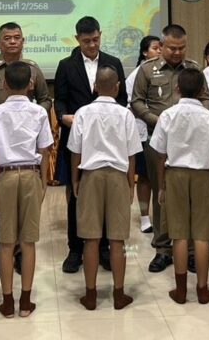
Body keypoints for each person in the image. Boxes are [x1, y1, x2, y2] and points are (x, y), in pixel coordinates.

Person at [0, 22, 52, 278]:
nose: (13, 41)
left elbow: (45, 99)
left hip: (26, 146)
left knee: (26, 200)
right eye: (7, 38)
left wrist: (31, 119)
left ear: (23, 41)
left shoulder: (33, 70)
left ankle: (19, 252)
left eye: (17, 37)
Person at [130, 24, 209, 273]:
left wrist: (197, 118)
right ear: (162, 46)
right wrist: (161, 122)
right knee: (161, 195)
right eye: (172, 48)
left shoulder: (194, 69)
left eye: (182, 48)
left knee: (190, 196)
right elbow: (136, 101)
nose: (177, 53)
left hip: (190, 143)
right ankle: (163, 249)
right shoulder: (147, 70)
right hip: (158, 141)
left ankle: (189, 251)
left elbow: (206, 98)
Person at [54, 15, 127, 274]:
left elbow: (123, 100)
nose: (92, 45)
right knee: (77, 194)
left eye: (95, 40)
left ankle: (104, 248)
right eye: (86, 41)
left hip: (107, 141)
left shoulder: (113, 63)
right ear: (77, 39)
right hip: (77, 139)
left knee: (107, 197)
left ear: (100, 35)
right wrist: (63, 117)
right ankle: (75, 249)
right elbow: (59, 100)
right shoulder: (66, 65)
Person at [0, 61, 53, 318]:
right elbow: (45, 151)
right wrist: (43, 183)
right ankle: (25, 301)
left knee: (6, 242)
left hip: (6, 176)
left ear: (4, 84)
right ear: (31, 84)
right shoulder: (39, 112)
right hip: (31, 174)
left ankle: (7, 302)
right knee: (28, 241)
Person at [151, 68, 209, 304]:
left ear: (177, 88)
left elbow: (160, 154)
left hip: (175, 175)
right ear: (203, 90)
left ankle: (181, 290)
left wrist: (161, 185)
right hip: (203, 175)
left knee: (179, 234)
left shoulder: (167, 116)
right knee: (202, 235)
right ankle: (203, 289)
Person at [69, 67, 142, 310]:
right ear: (118, 87)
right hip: (118, 176)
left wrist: (76, 180)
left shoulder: (82, 113)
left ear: (94, 87)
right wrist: (131, 183)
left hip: (90, 175)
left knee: (90, 239)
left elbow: (75, 150)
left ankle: (90, 295)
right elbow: (132, 153)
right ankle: (119, 294)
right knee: (117, 239)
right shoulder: (125, 114)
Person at [126, 35, 161, 234]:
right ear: (145, 52)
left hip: (163, 132)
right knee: (146, 176)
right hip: (142, 132)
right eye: (155, 48)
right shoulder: (136, 74)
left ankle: (163, 215)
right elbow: (130, 104)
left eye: (161, 47)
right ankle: (145, 217)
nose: (159, 51)